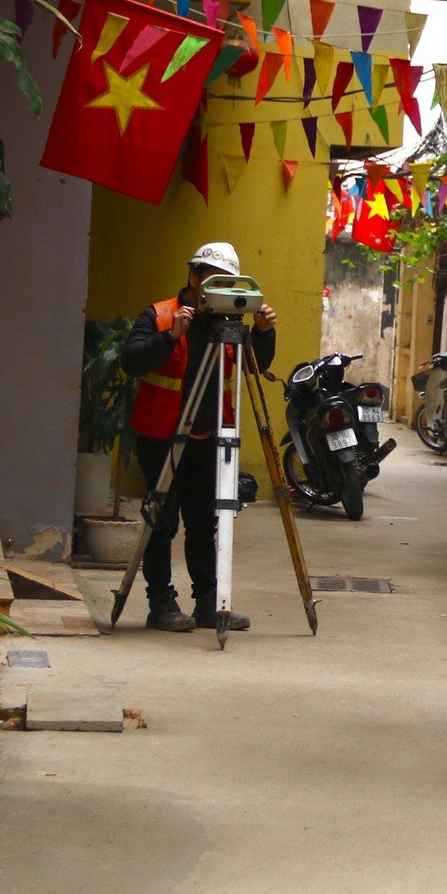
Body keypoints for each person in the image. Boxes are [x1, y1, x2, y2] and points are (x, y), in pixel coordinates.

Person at [121, 241, 278, 632]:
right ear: (194, 277)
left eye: (228, 283)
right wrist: (171, 337)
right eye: (213, 280)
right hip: (162, 436)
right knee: (162, 521)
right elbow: (132, 361)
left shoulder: (230, 323)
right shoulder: (160, 315)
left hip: (209, 436)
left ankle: (209, 602)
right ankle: (160, 603)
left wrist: (262, 332)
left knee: (203, 522)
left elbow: (256, 367)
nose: (221, 290)